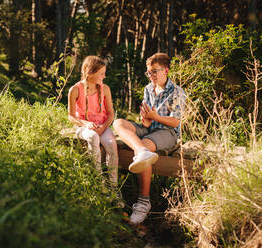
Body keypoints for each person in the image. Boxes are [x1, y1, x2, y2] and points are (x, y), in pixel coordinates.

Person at [113, 53, 186, 224]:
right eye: (149, 73)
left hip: (167, 132)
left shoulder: (177, 91)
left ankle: (144, 202)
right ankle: (141, 151)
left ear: (166, 70)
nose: (151, 76)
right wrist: (146, 119)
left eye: (154, 72)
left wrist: (155, 116)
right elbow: (146, 121)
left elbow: (175, 121)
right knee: (119, 123)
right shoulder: (148, 89)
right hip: (149, 129)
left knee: (145, 144)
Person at [68, 55, 119, 190]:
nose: (104, 76)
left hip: (102, 126)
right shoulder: (75, 89)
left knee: (111, 144)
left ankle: (113, 187)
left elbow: (111, 114)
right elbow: (71, 116)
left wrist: (103, 128)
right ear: (90, 72)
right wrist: (86, 124)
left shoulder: (105, 89)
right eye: (101, 73)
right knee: (92, 136)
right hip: (83, 126)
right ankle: (98, 182)